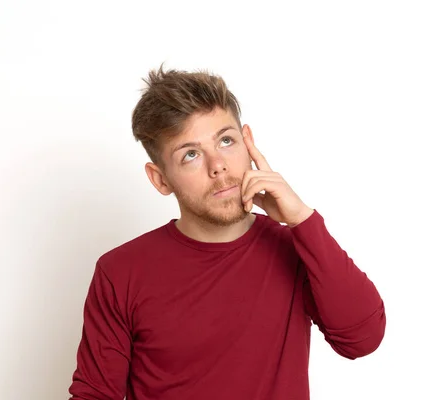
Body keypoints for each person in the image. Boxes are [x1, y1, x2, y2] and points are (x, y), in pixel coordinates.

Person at [68, 64, 386, 400]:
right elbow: (95, 394)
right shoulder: (120, 272)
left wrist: (302, 219)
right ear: (160, 179)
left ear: (248, 143)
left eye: (226, 140)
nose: (217, 164)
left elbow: (362, 340)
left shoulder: (296, 247)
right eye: (190, 154)